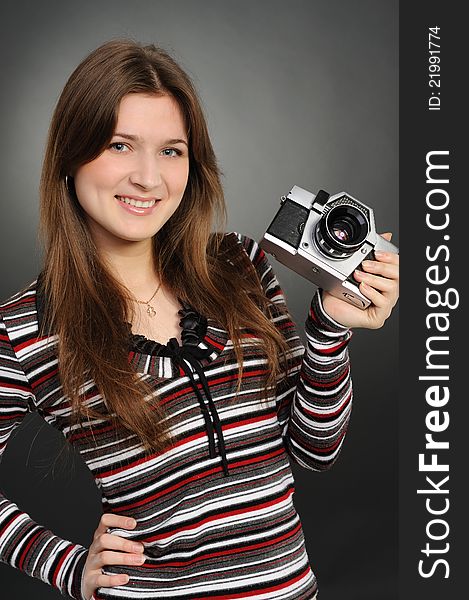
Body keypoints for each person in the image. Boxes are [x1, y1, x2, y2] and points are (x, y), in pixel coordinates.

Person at [0, 39, 399, 600]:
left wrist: (330, 326)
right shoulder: (26, 329)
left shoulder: (240, 265)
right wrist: (65, 566)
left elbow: (315, 450)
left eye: (171, 151)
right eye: (120, 145)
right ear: (70, 155)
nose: (148, 178)